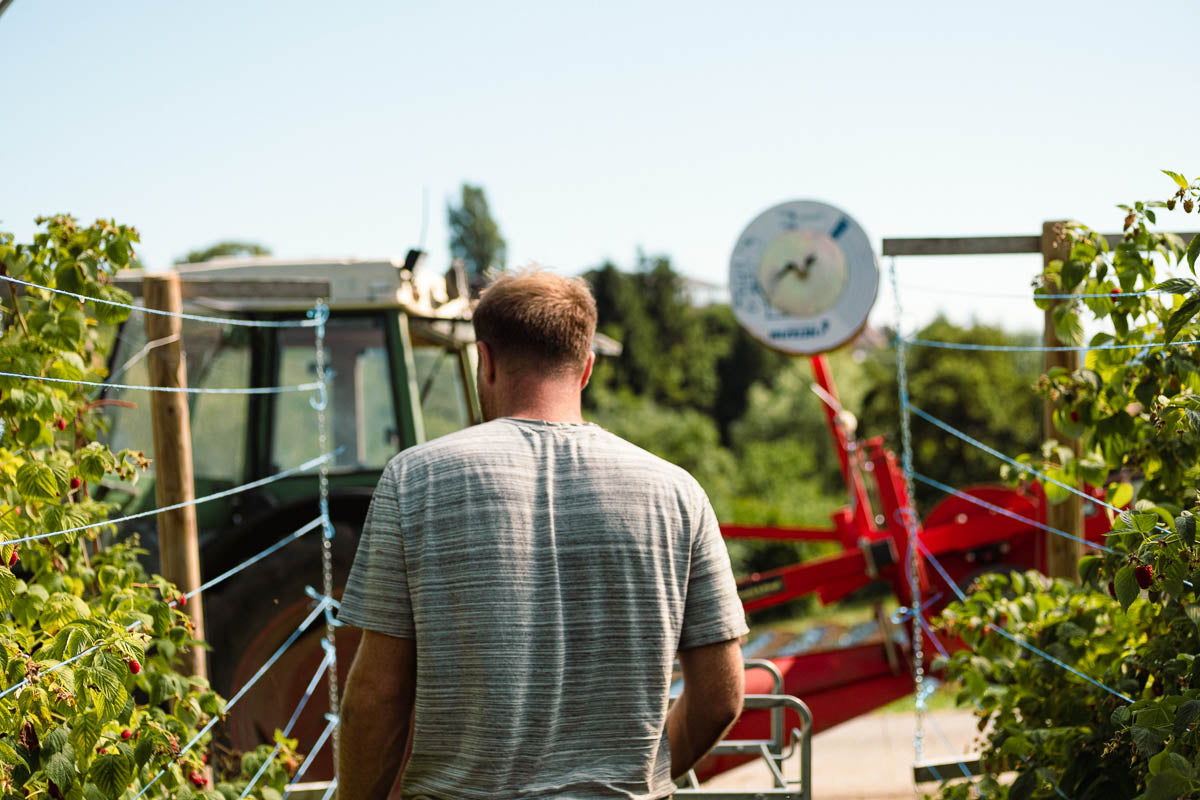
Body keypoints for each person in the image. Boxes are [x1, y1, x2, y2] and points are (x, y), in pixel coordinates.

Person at [336, 269, 748, 799]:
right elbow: (721, 697)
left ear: (484, 360)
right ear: (587, 369)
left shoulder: (416, 479)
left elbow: (376, 695)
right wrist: (644, 777)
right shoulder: (677, 492)